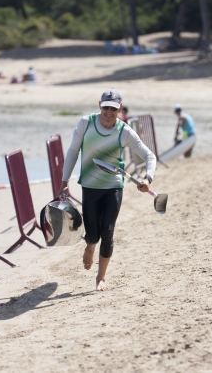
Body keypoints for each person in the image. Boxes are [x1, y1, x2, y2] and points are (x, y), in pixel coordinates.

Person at [57, 89, 156, 291]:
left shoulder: (124, 131)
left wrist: (148, 178)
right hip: (90, 186)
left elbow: (149, 156)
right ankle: (90, 245)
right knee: (93, 234)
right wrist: (65, 179)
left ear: (120, 109)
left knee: (108, 231)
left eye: (113, 108)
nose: (109, 112)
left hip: (113, 186)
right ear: (99, 105)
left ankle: (101, 277)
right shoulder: (86, 123)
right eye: (105, 108)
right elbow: (73, 151)